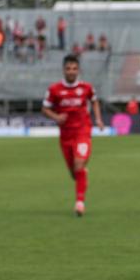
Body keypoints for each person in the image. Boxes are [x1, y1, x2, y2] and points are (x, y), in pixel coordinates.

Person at [41, 54, 104, 215]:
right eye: (68, 68)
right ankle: (82, 176)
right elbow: (44, 109)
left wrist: (98, 119)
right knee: (74, 173)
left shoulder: (86, 88)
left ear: (78, 70)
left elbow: (95, 100)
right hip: (65, 136)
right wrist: (56, 117)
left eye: (74, 69)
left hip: (82, 131)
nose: (71, 72)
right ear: (63, 70)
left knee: (79, 164)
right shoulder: (54, 90)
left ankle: (80, 203)